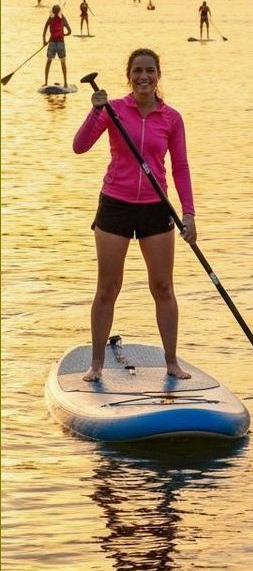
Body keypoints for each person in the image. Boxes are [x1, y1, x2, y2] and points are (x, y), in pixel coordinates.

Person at [72, 48, 197, 381]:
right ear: (129, 75)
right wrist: (94, 111)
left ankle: (171, 362)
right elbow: (79, 146)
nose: (144, 76)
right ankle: (96, 364)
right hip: (115, 205)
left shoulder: (171, 118)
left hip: (156, 208)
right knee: (108, 287)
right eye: (138, 71)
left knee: (163, 287)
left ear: (158, 75)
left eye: (150, 71)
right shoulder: (112, 111)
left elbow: (181, 167)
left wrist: (189, 213)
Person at [42, 4, 72, 87]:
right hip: (59, 43)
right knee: (62, 62)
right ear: (59, 11)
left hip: (53, 42)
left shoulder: (51, 18)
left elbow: (44, 29)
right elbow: (70, 31)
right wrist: (64, 34)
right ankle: (65, 83)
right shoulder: (62, 18)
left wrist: (44, 41)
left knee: (49, 62)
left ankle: (46, 82)